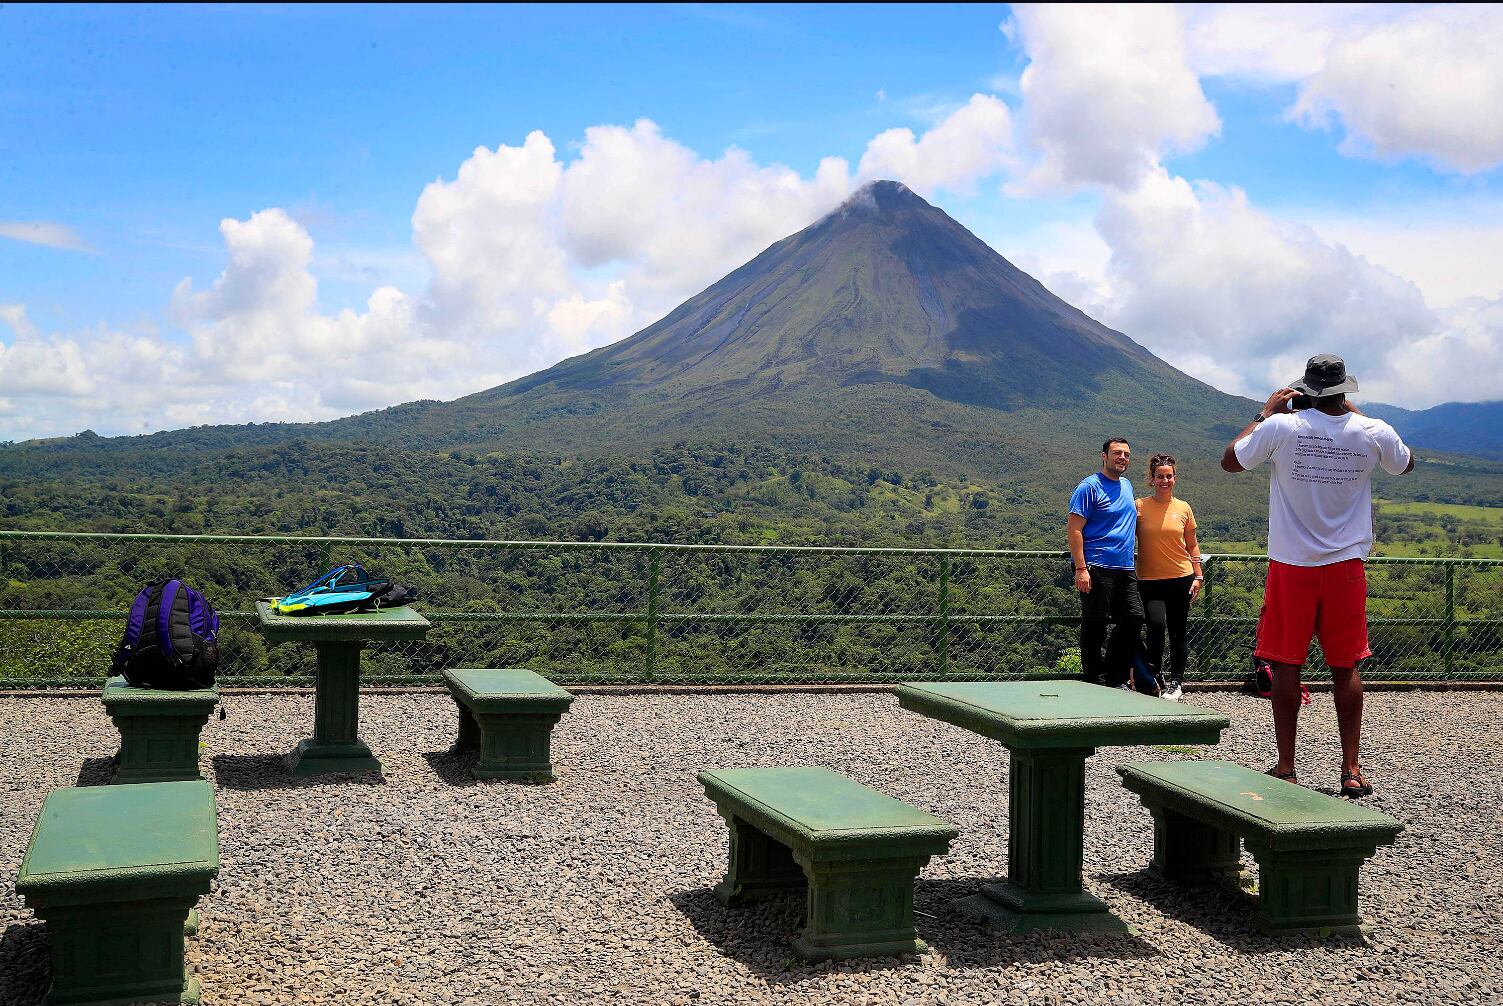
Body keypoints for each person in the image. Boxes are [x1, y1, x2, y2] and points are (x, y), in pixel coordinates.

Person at [1221, 354, 1413, 798]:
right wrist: (1357, 417)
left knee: (1287, 663)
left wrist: (1263, 414)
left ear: (1304, 390)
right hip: (1346, 566)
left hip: (1292, 564)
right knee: (1345, 667)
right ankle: (1351, 768)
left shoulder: (1281, 427)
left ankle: (1287, 766)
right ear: (1345, 390)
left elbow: (1231, 461)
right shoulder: (1373, 431)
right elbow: (1406, 465)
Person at [1068, 438, 1144, 687]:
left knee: (1134, 618)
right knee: (1095, 624)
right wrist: (1081, 568)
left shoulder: (1127, 485)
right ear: (1104, 456)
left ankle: (1115, 675)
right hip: (1096, 566)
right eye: (1117, 453)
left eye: (1127, 454)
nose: (1122, 458)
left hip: (1125, 567)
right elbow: (1074, 530)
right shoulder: (1089, 487)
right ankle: (1094, 678)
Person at [1135, 454, 1202, 702]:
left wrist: (1198, 576)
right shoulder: (1139, 505)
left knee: (1177, 630)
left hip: (1181, 577)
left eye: (1169, 476)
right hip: (1149, 580)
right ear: (1151, 479)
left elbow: (1192, 545)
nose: (1165, 480)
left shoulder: (1183, 508)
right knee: (1155, 626)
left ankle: (1177, 681)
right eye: (1160, 476)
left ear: (1175, 478)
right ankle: (1155, 674)